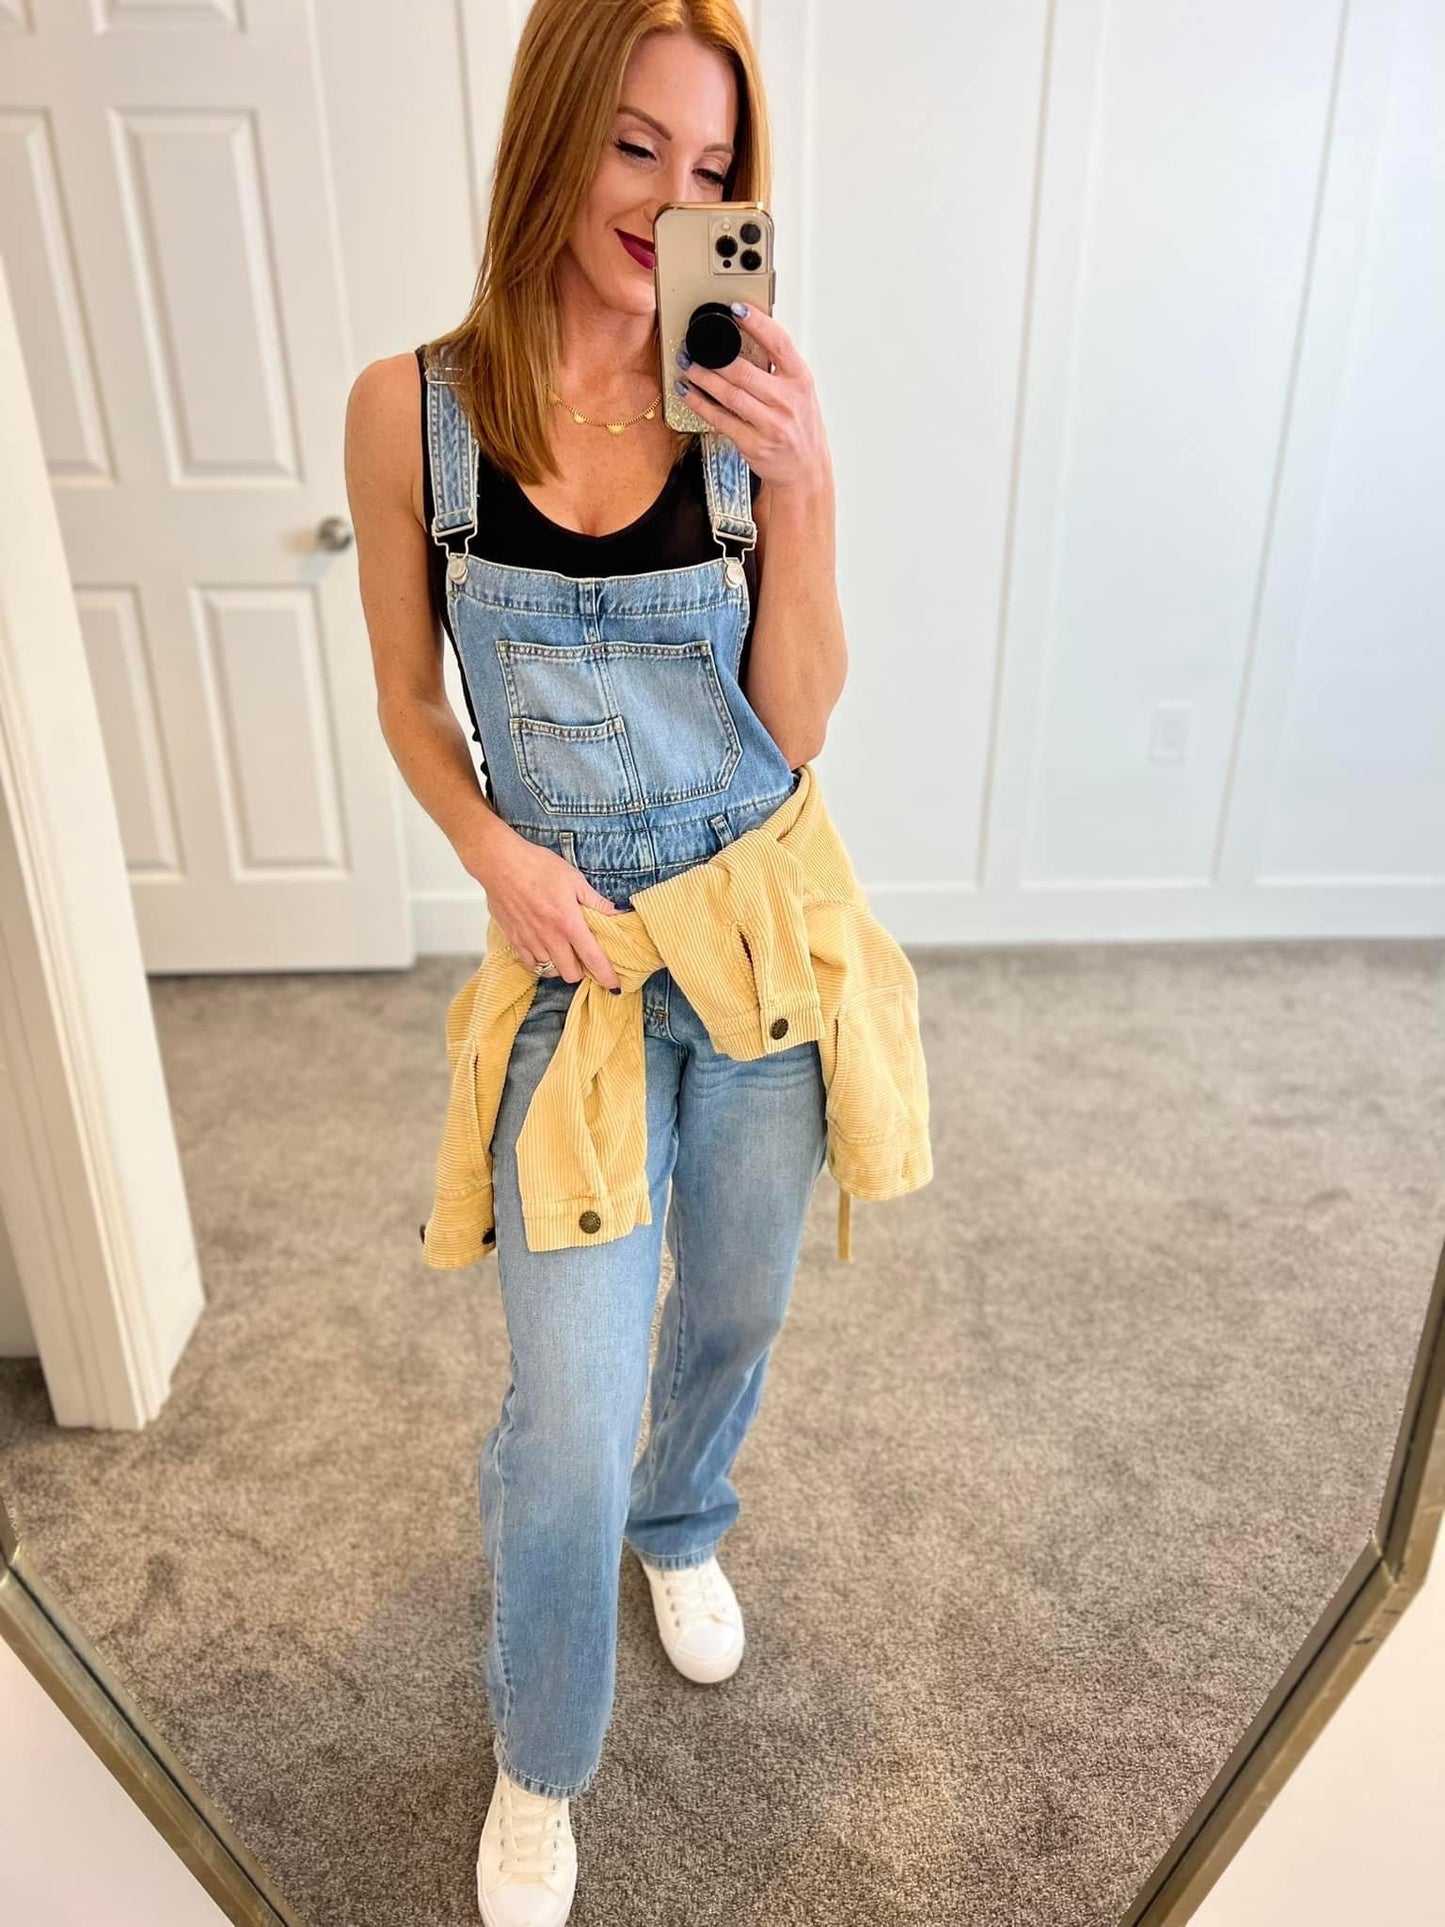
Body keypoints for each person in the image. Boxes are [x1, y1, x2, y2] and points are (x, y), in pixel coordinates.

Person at [344, 4, 846, 1920]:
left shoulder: (747, 399)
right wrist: (493, 852)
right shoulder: (414, 412)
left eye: (713, 169)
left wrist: (804, 485)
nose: (668, 200)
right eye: (636, 146)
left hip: (756, 945)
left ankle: (684, 1515)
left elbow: (797, 724)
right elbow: (411, 699)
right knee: (562, 1408)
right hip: (577, 973)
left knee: (732, 1307)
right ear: (553, 132)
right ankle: (540, 1757)